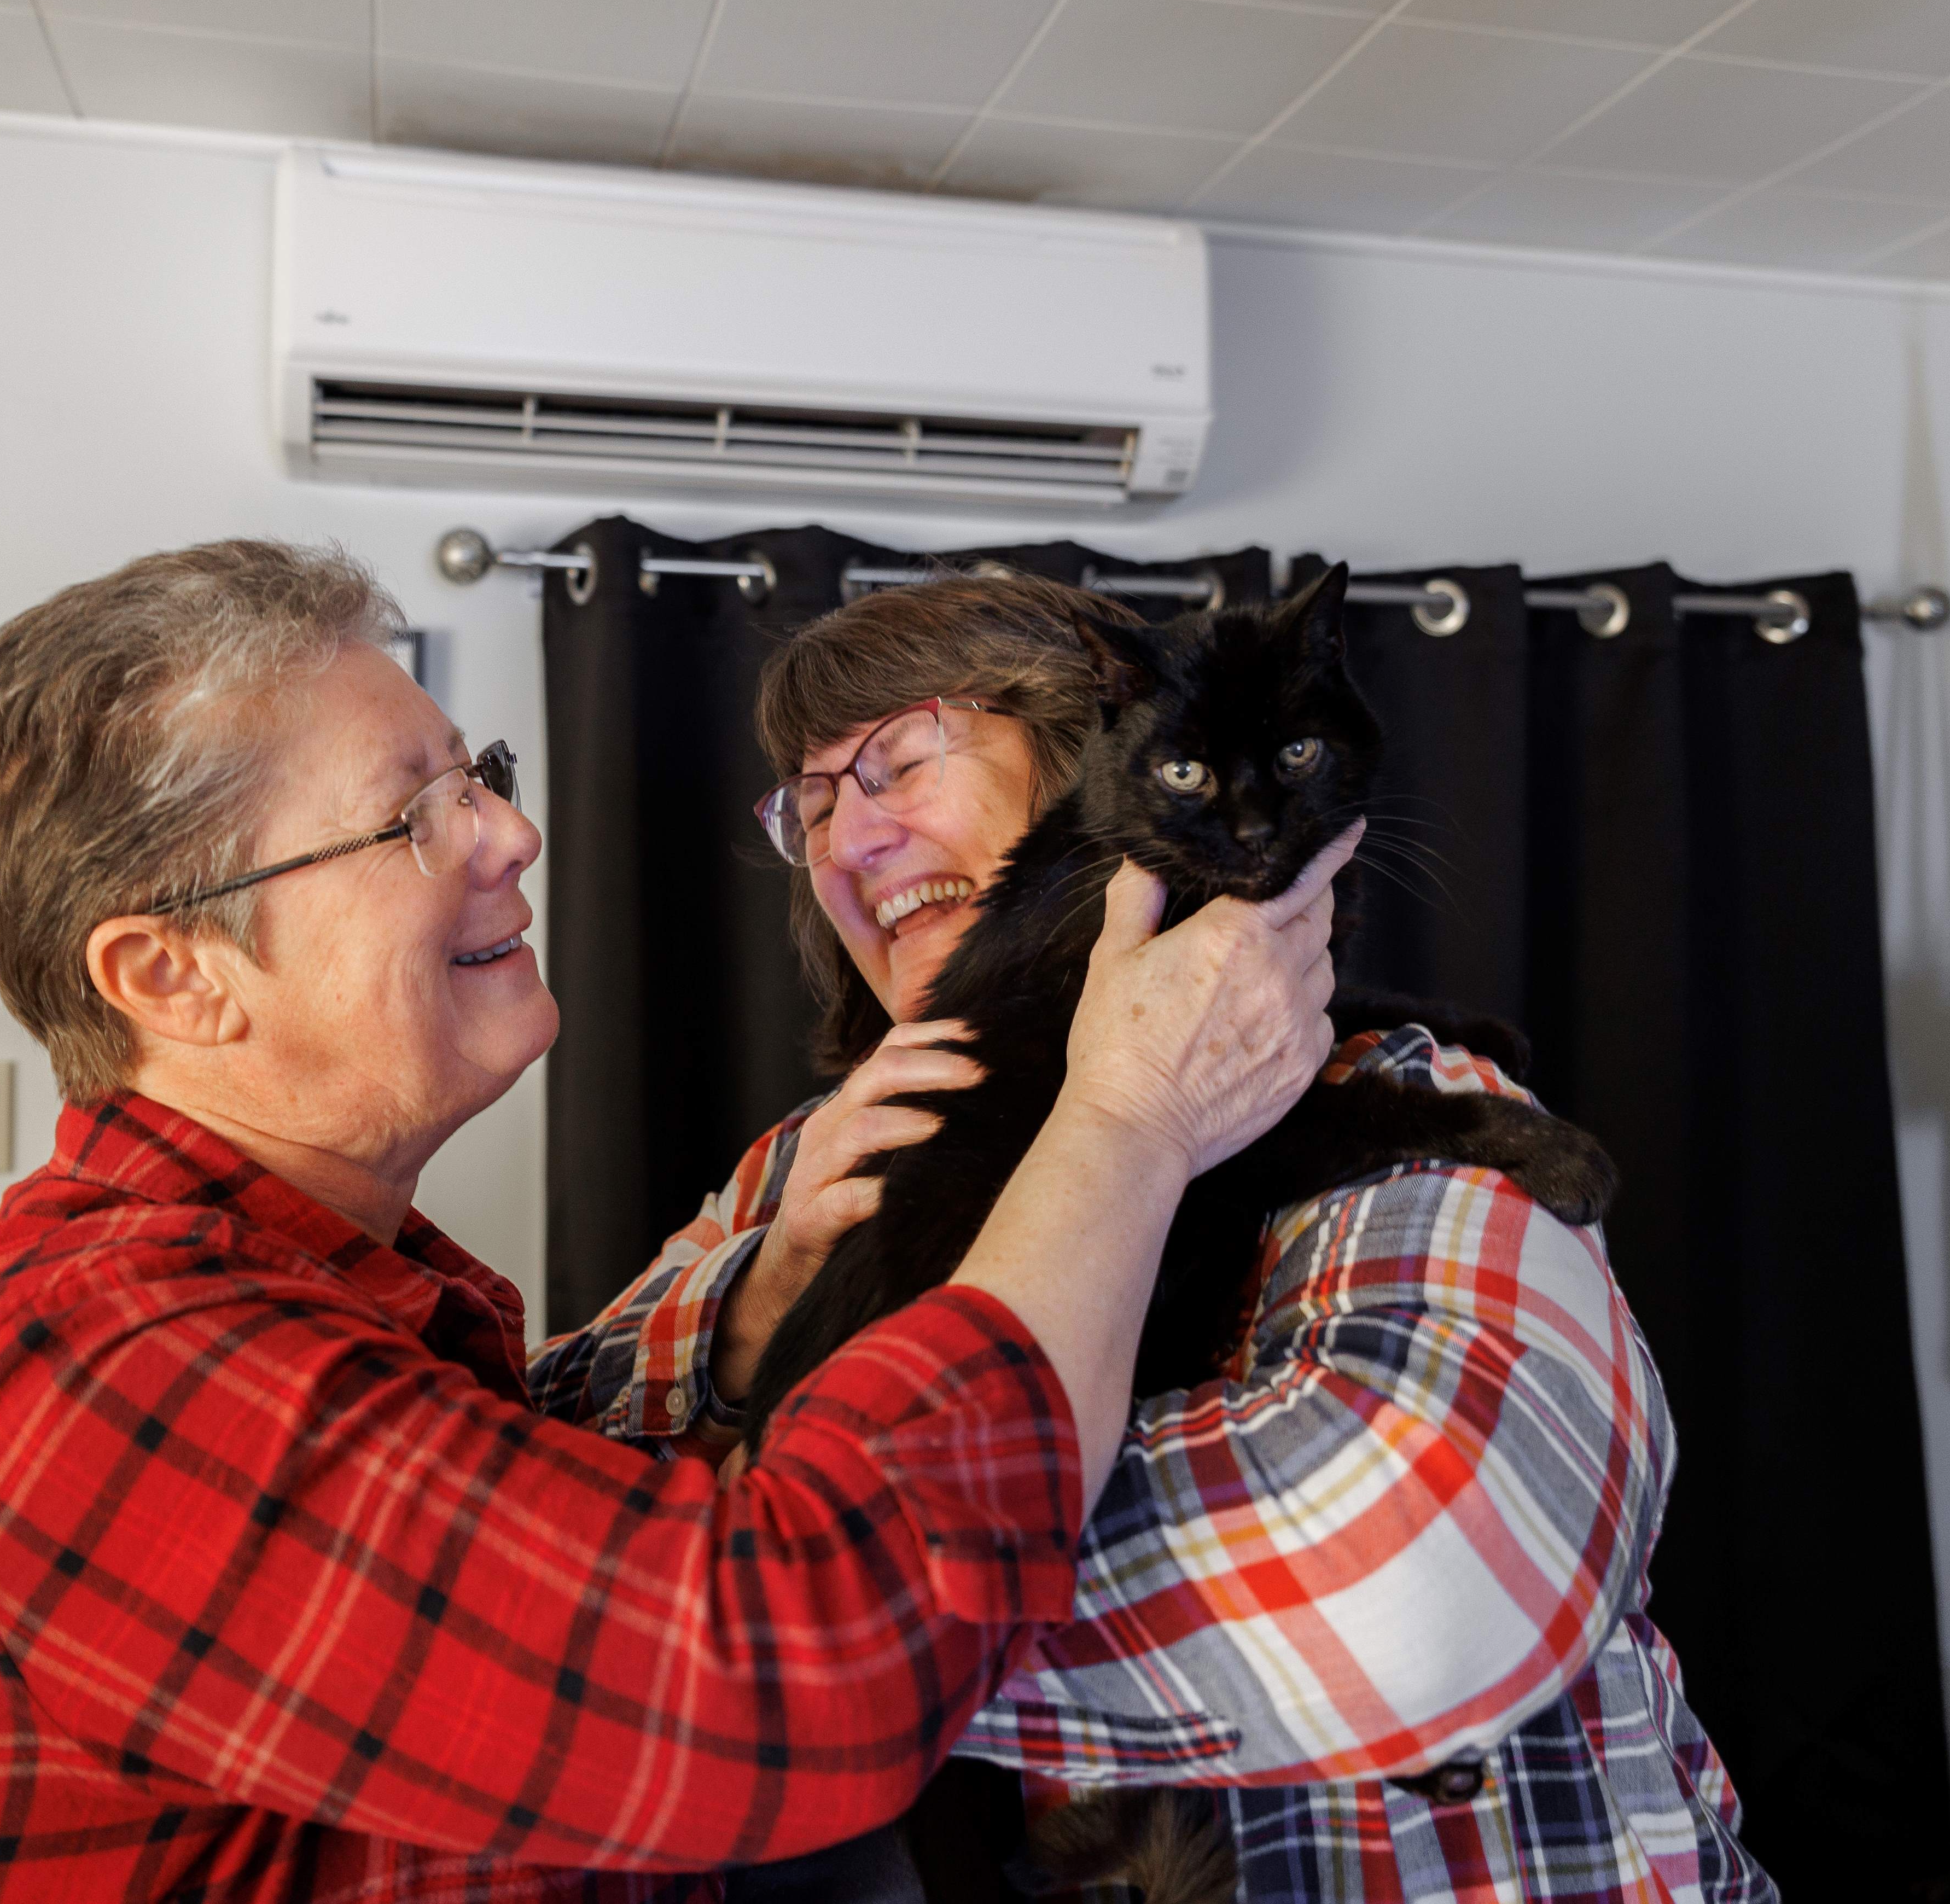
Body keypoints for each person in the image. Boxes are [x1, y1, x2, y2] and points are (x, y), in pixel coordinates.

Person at [0, 541, 1352, 1902]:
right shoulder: (102, 1352)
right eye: (410, 817)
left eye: (477, 775)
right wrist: (1127, 1123)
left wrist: (749, 1328)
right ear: (175, 977)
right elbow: (790, 1675)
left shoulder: (363, 1293)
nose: (510, 836)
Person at [531, 574, 1772, 1902]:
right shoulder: (796, 1169)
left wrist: (765, 1605)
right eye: (814, 805)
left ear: (1099, 768)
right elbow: (518, 1476)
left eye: (896, 765)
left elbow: (1416, 1581)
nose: (850, 844)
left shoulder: (1431, 1111)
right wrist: (758, 1302)